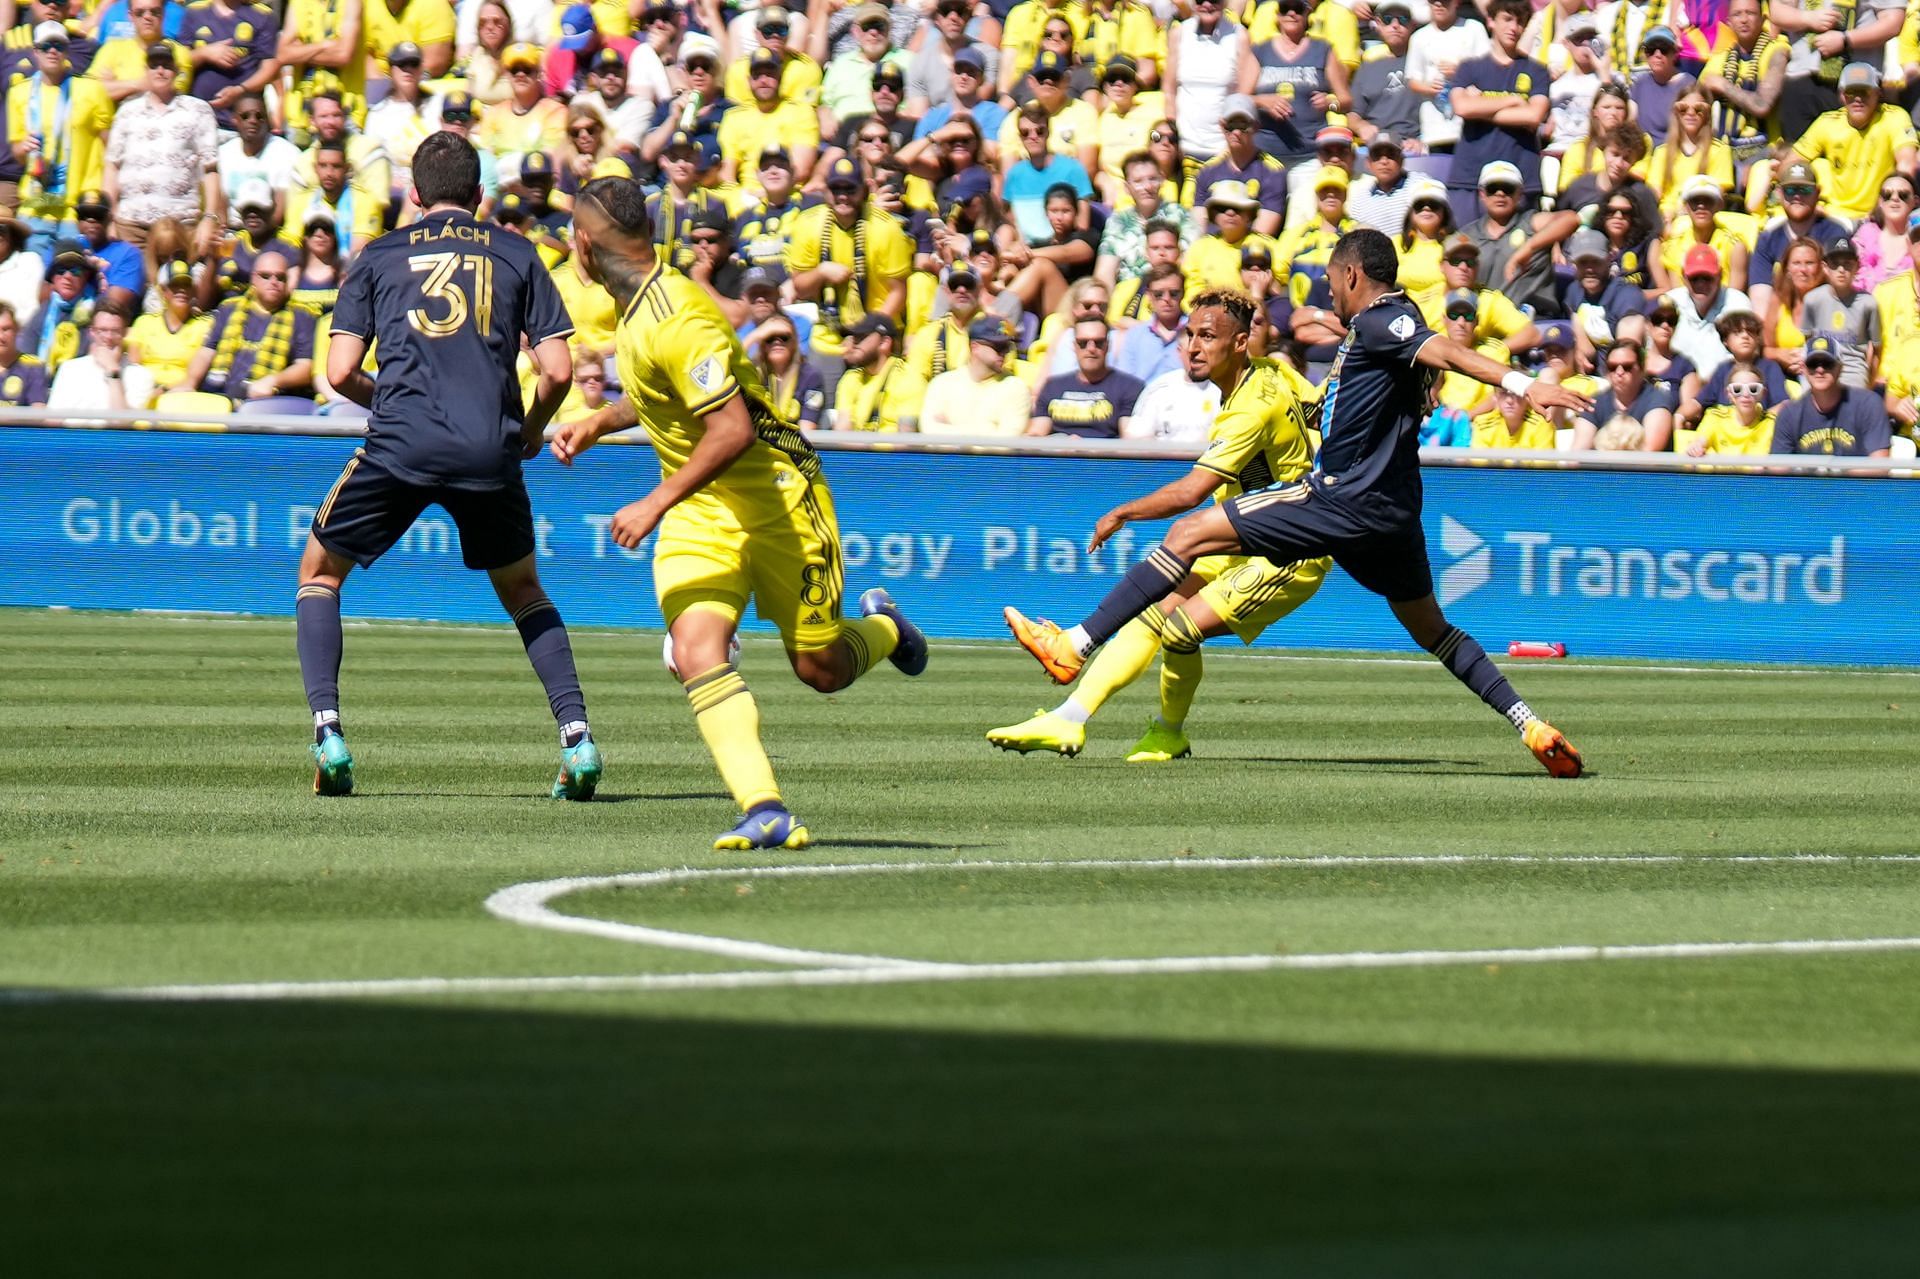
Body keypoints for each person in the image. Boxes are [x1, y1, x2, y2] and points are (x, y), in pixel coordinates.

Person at [1004, 228, 1590, 778]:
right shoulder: (1384, 329)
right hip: (1394, 515)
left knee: (1186, 534)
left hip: (1338, 499)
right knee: (1435, 630)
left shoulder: (1383, 322)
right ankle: (1530, 725)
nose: (1328, 293)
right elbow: (1362, 394)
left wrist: (1522, 384)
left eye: (1332, 281)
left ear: (1354, 275)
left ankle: (1073, 645)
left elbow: (1448, 354)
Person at [551, 174, 927, 849]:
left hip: (780, 496)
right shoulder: (636, 308)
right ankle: (765, 807)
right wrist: (598, 422)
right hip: (703, 511)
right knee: (697, 649)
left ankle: (887, 629)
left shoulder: (677, 315)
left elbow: (732, 430)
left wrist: (655, 500)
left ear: (585, 243)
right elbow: (657, 393)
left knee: (822, 670)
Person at [296, 132, 597, 802]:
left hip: (401, 441)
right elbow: (557, 370)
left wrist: (391, 400)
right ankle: (577, 739)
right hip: (488, 445)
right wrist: (531, 431)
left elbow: (339, 371)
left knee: (319, 573)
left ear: (414, 196)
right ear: (481, 197)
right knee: (523, 590)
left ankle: (328, 733)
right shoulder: (519, 252)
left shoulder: (379, 256)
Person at [990, 288, 1327, 762]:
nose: (1192, 346)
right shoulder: (1275, 372)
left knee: (1179, 628)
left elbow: (1191, 492)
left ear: (1238, 344)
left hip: (1289, 552)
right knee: (1150, 614)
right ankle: (1068, 718)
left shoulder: (1252, 408)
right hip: (1243, 535)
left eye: (1208, 336)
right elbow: (1321, 410)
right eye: (1190, 335)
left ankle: (1167, 730)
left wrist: (1123, 512)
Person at [787, 155, 911, 403]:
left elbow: (898, 291)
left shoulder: (885, 228)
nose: (843, 196)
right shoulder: (808, 223)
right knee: (826, 409)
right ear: (826, 191)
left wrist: (870, 335)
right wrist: (821, 272)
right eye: (836, 189)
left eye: (850, 189)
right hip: (829, 337)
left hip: (877, 335)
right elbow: (799, 286)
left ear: (864, 190)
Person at [100, 36, 219, 250]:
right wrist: (109, 217)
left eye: (166, 65)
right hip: (130, 224)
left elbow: (211, 168)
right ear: (145, 70)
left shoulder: (198, 110)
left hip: (179, 222)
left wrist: (210, 217)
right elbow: (112, 166)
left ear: (177, 70)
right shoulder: (127, 112)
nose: (160, 71)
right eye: (154, 65)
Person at [10, 22, 116, 256]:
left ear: (67, 50)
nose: (52, 51)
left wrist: (109, 204)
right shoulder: (19, 93)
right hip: (36, 205)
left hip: (78, 208)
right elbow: (17, 154)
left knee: (74, 274)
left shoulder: (92, 90)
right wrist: (23, 147)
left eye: (58, 45)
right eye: (46, 46)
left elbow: (112, 148)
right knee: (33, 275)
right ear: (35, 52)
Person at [1446, 0, 1550, 220]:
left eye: (1520, 22)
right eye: (1507, 19)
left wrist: (1480, 105)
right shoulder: (1469, 68)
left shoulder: (1537, 71)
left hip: (1522, 176)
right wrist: (1514, 100)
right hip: (1471, 176)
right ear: (1491, 21)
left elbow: (1534, 115)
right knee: (1465, 249)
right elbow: (1461, 107)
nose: (1514, 28)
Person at [180, 246, 316, 409]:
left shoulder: (302, 316)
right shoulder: (229, 308)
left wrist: (274, 380)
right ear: (253, 279)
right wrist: (190, 382)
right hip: (219, 394)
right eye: (265, 276)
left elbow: (305, 367)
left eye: (280, 278)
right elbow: (206, 352)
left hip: (267, 401)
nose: (273, 282)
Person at [1792, 62, 1918, 223]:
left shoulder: (1894, 117)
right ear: (1842, 95)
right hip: (1834, 215)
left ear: (1878, 93)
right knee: (1816, 165)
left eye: (1864, 92)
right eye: (1851, 92)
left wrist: (1884, 209)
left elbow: (1907, 166)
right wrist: (1811, 204)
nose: (1858, 99)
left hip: (1880, 215)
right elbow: (1791, 164)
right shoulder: (1826, 122)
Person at [1241, 0, 1347, 169]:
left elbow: (1346, 100)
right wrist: (1262, 101)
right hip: (1265, 156)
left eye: (1297, 9)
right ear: (1277, 15)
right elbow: (1240, 100)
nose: (1291, 13)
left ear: (1307, 13)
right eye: (1285, 9)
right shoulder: (1260, 50)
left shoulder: (1323, 49)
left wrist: (1330, 103)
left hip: (1310, 156)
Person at [1699, 0, 1786, 178]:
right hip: (1724, 153)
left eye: (1750, 13)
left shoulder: (1777, 50)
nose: (1744, 19)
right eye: (1737, 14)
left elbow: (1762, 105)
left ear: (1763, 19)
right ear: (1729, 22)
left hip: (1765, 153)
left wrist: (1723, 86)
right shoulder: (1719, 60)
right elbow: (1696, 104)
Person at [1771, 332, 1893, 454]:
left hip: (1854, 474)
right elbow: (1778, 468)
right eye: (1813, 364)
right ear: (1803, 369)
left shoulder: (1869, 405)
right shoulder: (1789, 414)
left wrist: (1838, 472)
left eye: (1827, 363)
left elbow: (1879, 465)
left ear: (1840, 367)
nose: (1820, 370)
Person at [920, 313, 1033, 435]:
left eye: (1007, 347)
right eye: (998, 347)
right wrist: (988, 429)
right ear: (975, 347)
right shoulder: (942, 383)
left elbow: (1007, 442)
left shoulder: (1015, 387)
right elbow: (929, 431)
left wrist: (949, 430)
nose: (1004, 352)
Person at [1029, 315, 1142, 437]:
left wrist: (1085, 448)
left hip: (1104, 454)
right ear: (1074, 346)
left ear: (1107, 345)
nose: (1091, 349)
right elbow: (1037, 433)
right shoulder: (1053, 386)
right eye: (1083, 343)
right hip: (1060, 453)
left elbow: (1130, 442)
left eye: (1098, 343)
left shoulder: (1129, 387)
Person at [1189, 95, 1285, 237]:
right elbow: (1198, 225)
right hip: (1210, 248)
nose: (1236, 133)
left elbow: (1263, 231)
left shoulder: (1272, 171)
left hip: (1250, 251)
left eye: (1243, 126)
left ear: (1256, 127)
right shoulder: (1207, 170)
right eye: (1231, 125)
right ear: (1222, 126)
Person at [1406, 0, 1489, 157]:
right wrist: (1429, 87)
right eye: (1433, 1)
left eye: (1444, 1)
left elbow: (1488, 71)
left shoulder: (1473, 29)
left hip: (1470, 126)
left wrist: (1461, 72)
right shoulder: (1418, 37)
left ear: (1456, 3)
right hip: (1435, 129)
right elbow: (1412, 80)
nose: (1438, 5)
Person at [1163, 0, 1243, 160]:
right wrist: (1174, 138)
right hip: (1185, 149)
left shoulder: (1239, 36)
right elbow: (1169, 91)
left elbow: (1242, 97)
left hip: (1223, 150)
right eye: (1200, 0)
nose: (1207, 4)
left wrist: (1231, 145)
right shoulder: (1178, 34)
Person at [184, 0, 280, 131]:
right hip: (197, 120)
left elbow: (270, 68)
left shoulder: (263, 15)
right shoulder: (194, 12)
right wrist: (204, 53)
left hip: (243, 125)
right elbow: (178, 62)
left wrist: (241, 90)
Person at [1800, 236, 1880, 388]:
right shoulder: (1812, 300)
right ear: (1825, 267)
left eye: (1847, 265)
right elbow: (1807, 341)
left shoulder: (1868, 303)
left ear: (1857, 267)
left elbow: (1876, 350)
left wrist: (1868, 385)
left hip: (1853, 371)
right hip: (1820, 367)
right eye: (1835, 265)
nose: (1841, 270)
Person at [47, 297, 153, 409]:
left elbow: (121, 422)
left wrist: (112, 371)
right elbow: (53, 420)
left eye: (115, 331)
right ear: (91, 332)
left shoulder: (140, 375)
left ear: (125, 333)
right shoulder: (69, 369)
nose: (108, 337)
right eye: (102, 330)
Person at [1575, 337, 1676, 449]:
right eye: (1612, 367)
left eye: (1627, 367)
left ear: (1642, 369)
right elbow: (1578, 453)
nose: (1619, 372)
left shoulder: (1657, 401)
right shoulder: (1594, 403)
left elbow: (1649, 455)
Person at [831, 311, 924, 431]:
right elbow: (842, 430)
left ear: (884, 343)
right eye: (853, 337)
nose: (853, 343)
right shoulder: (850, 378)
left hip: (890, 449)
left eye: (861, 337)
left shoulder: (908, 379)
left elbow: (906, 438)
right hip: (855, 449)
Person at [127, 256, 208, 393]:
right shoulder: (144, 322)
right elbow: (134, 365)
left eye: (186, 285)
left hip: (181, 392)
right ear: (163, 290)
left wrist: (164, 390)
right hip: (143, 389)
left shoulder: (205, 326)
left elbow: (195, 377)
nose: (181, 290)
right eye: (175, 285)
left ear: (193, 290)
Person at [1349, 2, 1422, 150]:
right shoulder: (1367, 68)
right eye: (1388, 20)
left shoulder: (1423, 61)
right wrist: (1361, 126)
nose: (1395, 25)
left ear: (1412, 25)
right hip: (1376, 145)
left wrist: (1424, 141)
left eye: (1402, 20)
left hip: (1415, 144)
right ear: (1378, 25)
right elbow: (1352, 115)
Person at [749, 311, 826, 431]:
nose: (777, 342)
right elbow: (727, 367)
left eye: (784, 337)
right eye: (770, 338)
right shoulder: (751, 373)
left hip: (793, 444)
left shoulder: (811, 376)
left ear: (794, 343)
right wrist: (755, 335)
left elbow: (807, 430)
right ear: (762, 344)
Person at [1114, 260, 1187, 385]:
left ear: (1183, 293)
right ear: (1148, 295)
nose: (1167, 299)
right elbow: (1125, 383)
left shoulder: (1196, 331)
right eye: (1159, 294)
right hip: (1143, 400)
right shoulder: (1134, 335)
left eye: (1174, 293)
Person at [1687, 365, 1778, 455]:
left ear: (1763, 393)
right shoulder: (1715, 417)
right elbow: (1700, 441)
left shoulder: (1772, 423)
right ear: (1728, 394)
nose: (1745, 394)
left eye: (1753, 389)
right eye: (1737, 389)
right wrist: (1696, 447)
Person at [1629, 25, 1694, 149]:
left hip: (1674, 153)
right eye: (1652, 49)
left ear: (1675, 53)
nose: (1658, 54)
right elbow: (1630, 123)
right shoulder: (1639, 84)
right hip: (1643, 154)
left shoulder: (1687, 84)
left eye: (1664, 49)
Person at [1851, 173, 1916, 292]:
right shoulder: (1863, 237)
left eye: (1903, 195)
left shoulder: (1918, 241)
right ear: (1880, 201)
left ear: (1915, 201)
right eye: (1887, 195)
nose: (1895, 198)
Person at [1471, 380, 1557, 449]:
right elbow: (1479, 468)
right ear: (1496, 396)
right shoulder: (1482, 424)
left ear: (1527, 397)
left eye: (1516, 393)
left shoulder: (1541, 425)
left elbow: (1543, 468)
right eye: (1503, 393)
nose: (1509, 400)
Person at [0, 299, 48, 404]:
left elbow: (38, 412)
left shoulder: (32, 367)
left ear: (17, 330)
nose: (1, 337)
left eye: (6, 329)